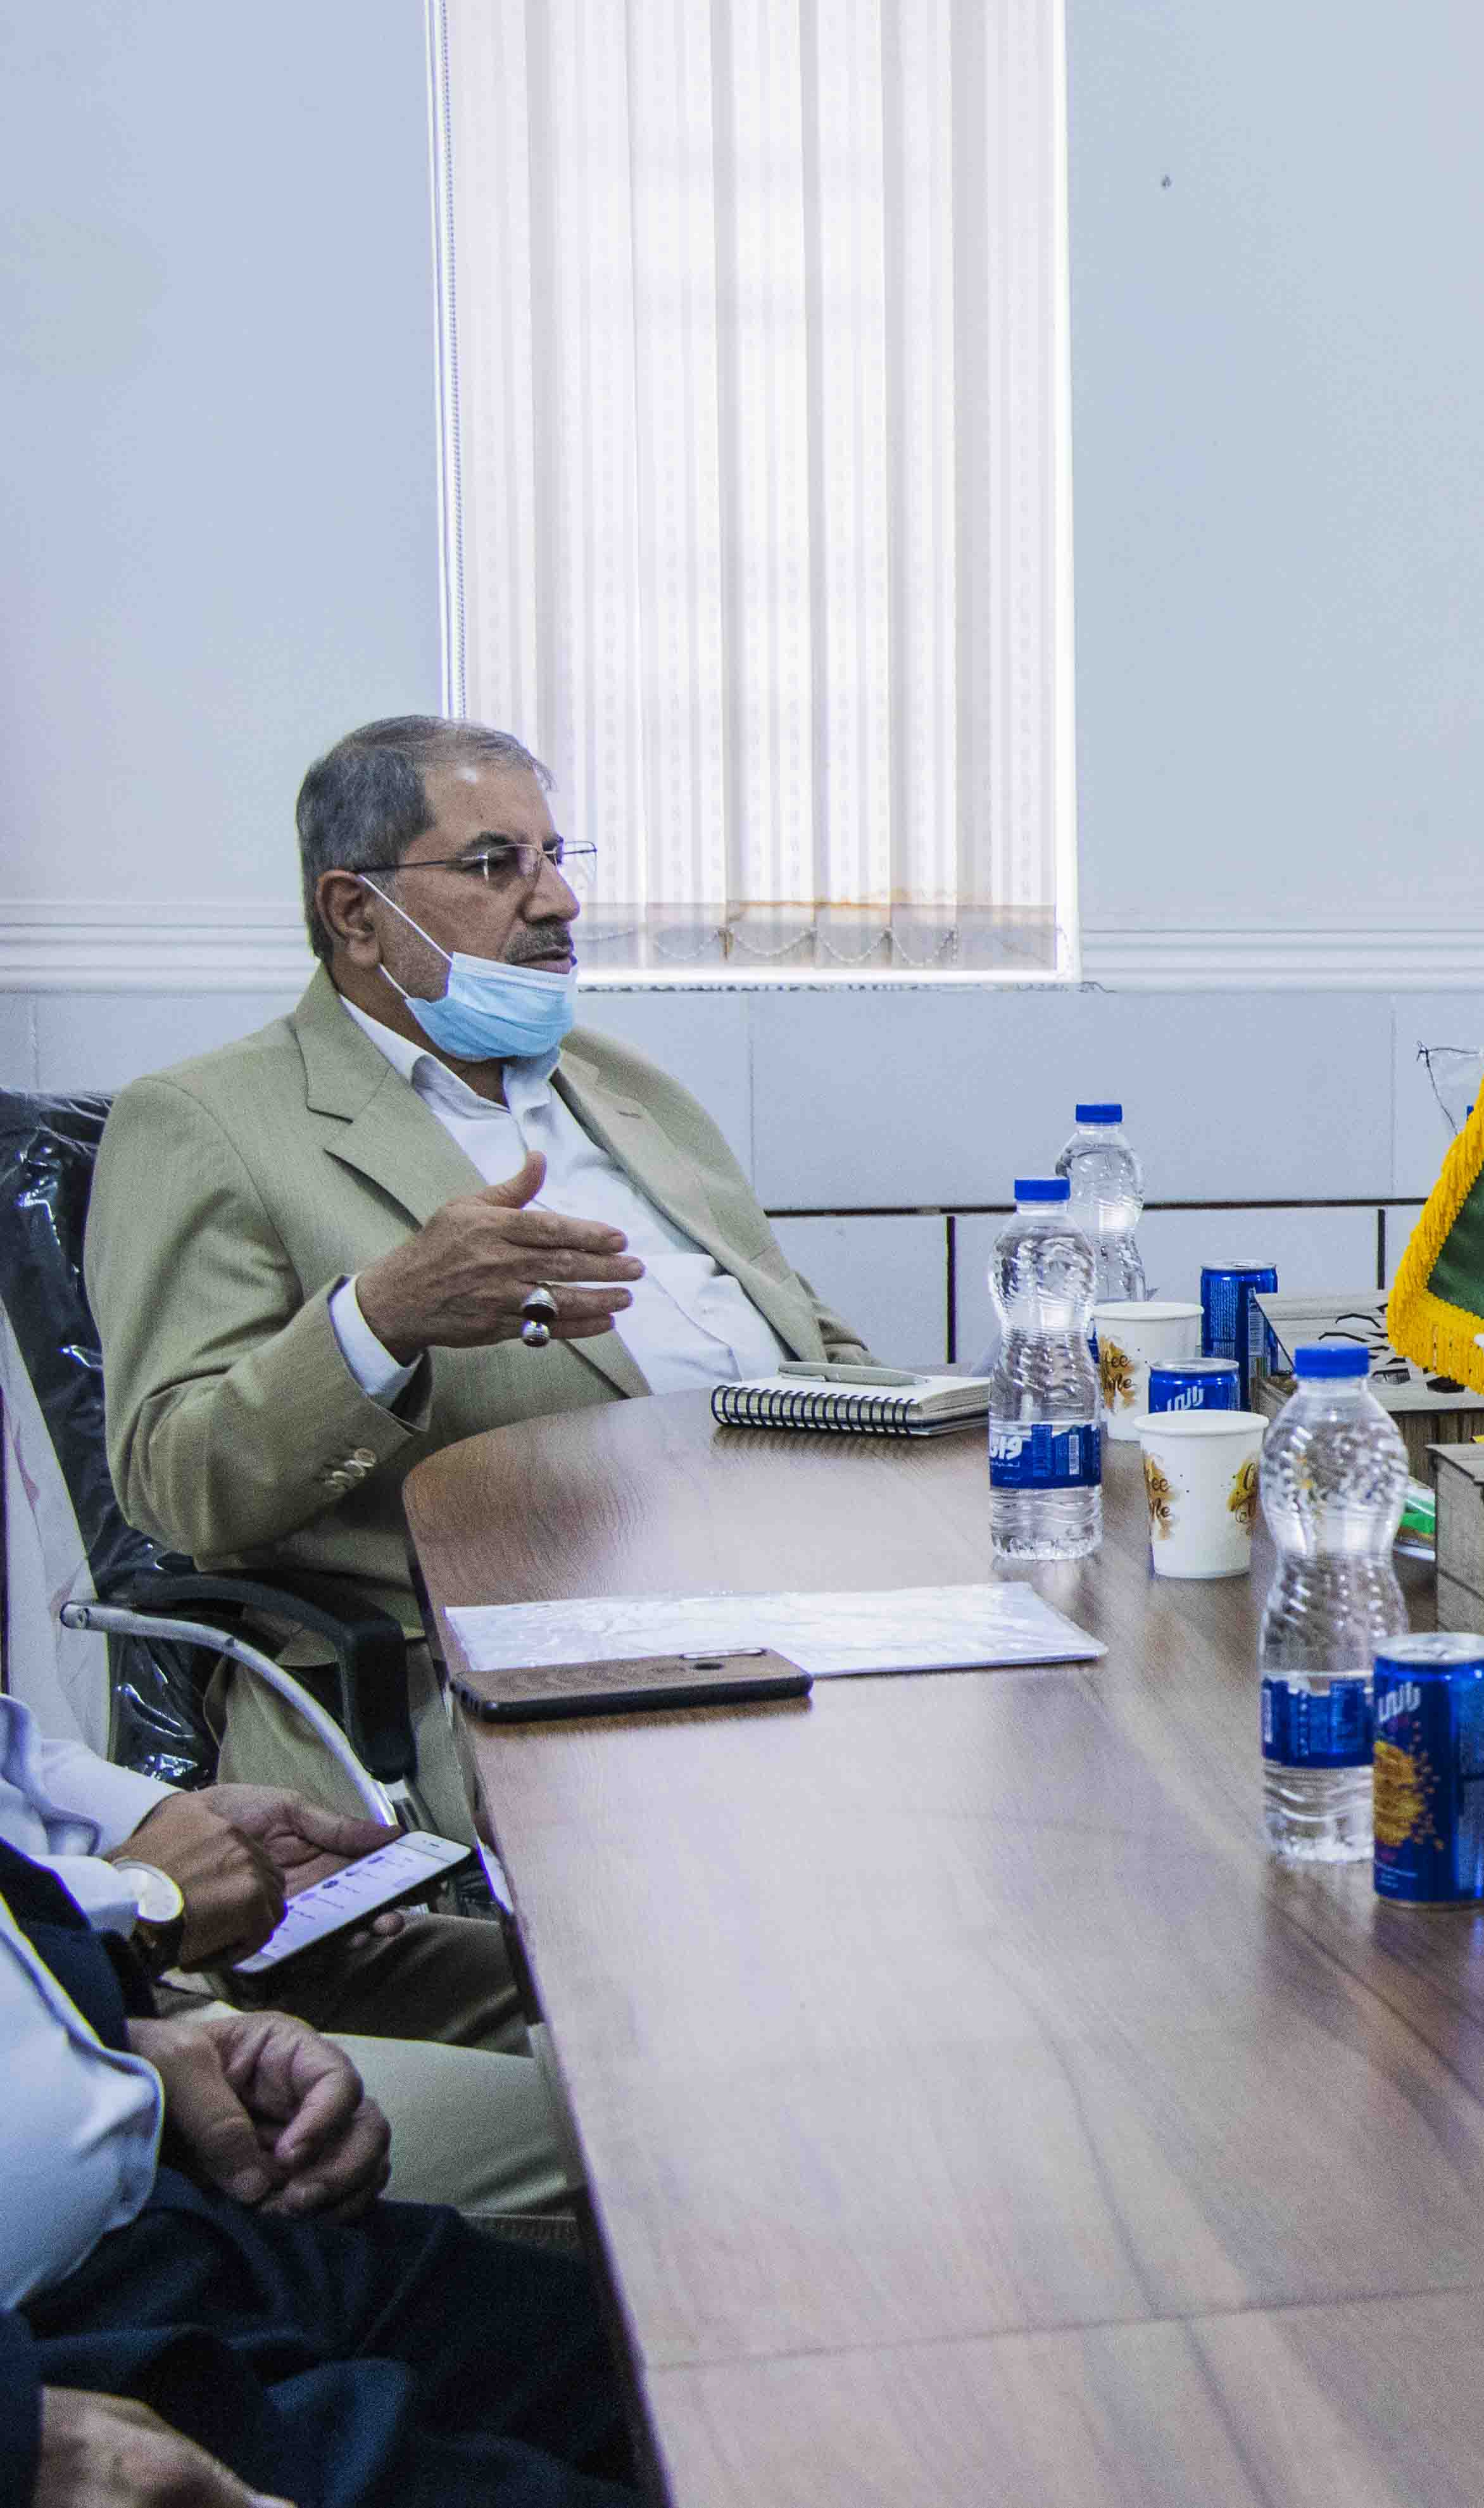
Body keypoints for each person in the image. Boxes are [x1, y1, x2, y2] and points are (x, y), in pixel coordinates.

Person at [89, 717, 871, 1837]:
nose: (558, 901)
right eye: (496, 864)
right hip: (488, 1671)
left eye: (556, 856)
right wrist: (383, 1318)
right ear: (356, 913)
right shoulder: (205, 1121)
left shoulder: (621, 1082)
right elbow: (174, 1480)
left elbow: (812, 1338)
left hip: (787, 1603)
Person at [0, 1839, 632, 2506]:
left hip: (200, 2219)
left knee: (657, 2365)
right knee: (630, 2159)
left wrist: (104, 2034)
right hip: (70, 2366)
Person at [4, 1693, 563, 2231]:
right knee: (593, 2135)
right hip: (65, 2030)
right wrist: (136, 1897)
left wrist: (172, 1824)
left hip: (112, 1942)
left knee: (577, 1994)